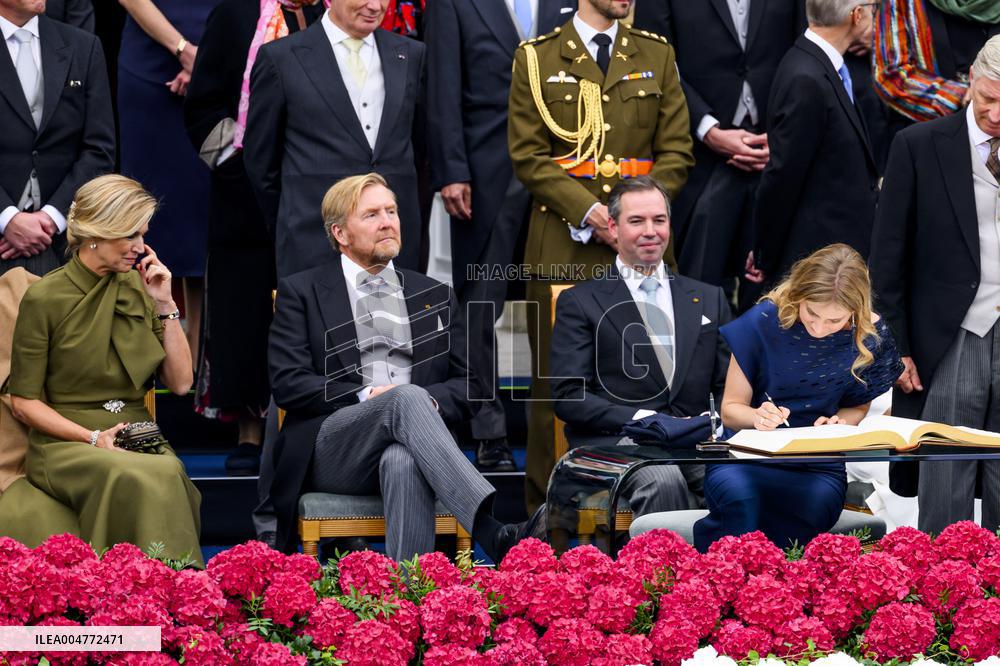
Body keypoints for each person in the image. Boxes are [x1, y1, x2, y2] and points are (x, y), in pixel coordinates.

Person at [268, 173, 543, 561]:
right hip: (335, 448)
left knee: (403, 458)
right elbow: (289, 383)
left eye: (392, 211)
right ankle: (490, 529)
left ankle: (406, 598)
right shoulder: (302, 292)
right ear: (340, 233)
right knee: (403, 399)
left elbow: (469, 385)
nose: (387, 221)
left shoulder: (435, 295)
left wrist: (422, 408)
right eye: (372, 214)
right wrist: (367, 395)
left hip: (414, 443)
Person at [508, 0, 694, 512]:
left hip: (644, 242)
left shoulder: (656, 54)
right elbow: (528, 155)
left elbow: (678, 150)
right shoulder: (538, 57)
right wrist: (594, 213)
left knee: (658, 370)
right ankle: (546, 525)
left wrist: (637, 217)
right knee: (551, 391)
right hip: (565, 246)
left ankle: (658, 511)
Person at [6, 174, 202, 564]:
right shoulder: (45, 298)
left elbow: (181, 383)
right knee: (142, 475)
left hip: (137, 434)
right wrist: (93, 438)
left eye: (143, 234)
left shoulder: (140, 287)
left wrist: (164, 303)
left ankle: (169, 600)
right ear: (96, 233)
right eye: (130, 235)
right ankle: (127, 592)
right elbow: (23, 402)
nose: (141, 247)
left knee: (169, 473)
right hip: (67, 443)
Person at [425, 0, 573, 472]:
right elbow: (442, 87)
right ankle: (488, 431)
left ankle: (566, 427)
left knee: (560, 298)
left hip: (562, 171)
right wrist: (451, 169)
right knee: (480, 305)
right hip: (484, 173)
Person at [183, 0, 326, 477]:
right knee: (244, 307)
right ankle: (248, 429)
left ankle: (309, 429)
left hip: (313, 192)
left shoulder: (327, 12)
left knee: (309, 309)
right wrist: (237, 164)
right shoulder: (235, 12)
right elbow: (203, 103)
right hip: (242, 191)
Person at [871, 37, 1000, 533]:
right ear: (970, 77)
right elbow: (887, 262)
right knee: (944, 486)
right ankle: (942, 602)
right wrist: (896, 347)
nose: (993, 112)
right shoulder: (918, 146)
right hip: (946, 341)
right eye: (987, 97)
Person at [694, 244, 901, 551]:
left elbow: (858, 405)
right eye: (812, 313)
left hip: (817, 462)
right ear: (798, 295)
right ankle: (728, 583)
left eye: (834, 321)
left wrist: (840, 422)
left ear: (856, 310)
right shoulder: (765, 319)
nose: (819, 328)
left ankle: (790, 592)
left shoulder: (870, 335)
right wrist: (757, 416)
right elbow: (730, 410)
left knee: (813, 504)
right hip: (746, 454)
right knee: (741, 498)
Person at [551, 176, 731, 515]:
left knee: (739, 477)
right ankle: (659, 571)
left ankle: (733, 568)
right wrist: (644, 419)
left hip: (696, 443)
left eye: (659, 220)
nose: (650, 231)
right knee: (661, 480)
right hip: (616, 443)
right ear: (613, 228)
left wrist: (715, 425)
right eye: (637, 221)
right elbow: (568, 395)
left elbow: (728, 385)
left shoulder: (709, 298)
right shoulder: (581, 302)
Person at [632, 0, 805, 310]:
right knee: (698, 297)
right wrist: (707, 129)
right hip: (698, 160)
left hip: (775, 158)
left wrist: (784, 133)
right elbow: (651, 59)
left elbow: (804, 46)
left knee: (774, 300)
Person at [244, 0, 426, 278]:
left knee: (392, 322)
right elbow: (260, 162)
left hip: (394, 246)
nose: (375, 6)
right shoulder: (281, 58)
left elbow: (421, 144)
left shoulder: (411, 54)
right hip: (312, 240)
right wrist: (293, 218)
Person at [748, 0, 879, 287]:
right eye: (873, 7)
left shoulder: (819, 65)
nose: (874, 15)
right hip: (816, 260)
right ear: (856, 16)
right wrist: (764, 253)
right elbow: (782, 176)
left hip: (837, 250)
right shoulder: (806, 77)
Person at [117, 0, 215, 356]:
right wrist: (183, 50)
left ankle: (201, 368)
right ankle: (146, 363)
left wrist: (208, 60)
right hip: (150, 70)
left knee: (207, 228)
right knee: (149, 219)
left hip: (222, 61)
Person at [0, 0, 114, 276]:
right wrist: (7, 218)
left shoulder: (83, 46)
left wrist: (52, 218)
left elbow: (100, 148)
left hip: (64, 243)